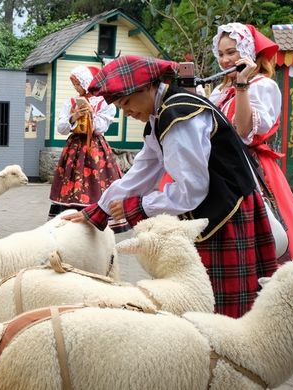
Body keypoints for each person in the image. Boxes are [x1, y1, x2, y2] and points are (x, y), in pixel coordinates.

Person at [63, 55, 278, 318]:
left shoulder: (178, 116)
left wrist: (140, 206)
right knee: (211, 303)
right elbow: (143, 169)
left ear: (148, 86)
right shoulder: (161, 114)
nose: (127, 112)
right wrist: (98, 209)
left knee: (226, 311)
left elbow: (192, 189)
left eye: (128, 102)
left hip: (228, 214)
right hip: (217, 210)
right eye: (120, 106)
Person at [210, 22, 293, 261]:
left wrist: (241, 85)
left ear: (248, 52)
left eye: (231, 52)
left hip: (249, 166)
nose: (225, 60)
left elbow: (244, 131)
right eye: (221, 54)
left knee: (260, 235)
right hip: (219, 166)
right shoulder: (220, 90)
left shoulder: (262, 86)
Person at [48, 66, 129, 232]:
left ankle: (98, 219)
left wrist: (90, 113)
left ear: (88, 83)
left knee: (97, 181)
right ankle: (70, 220)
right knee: (72, 180)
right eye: (74, 85)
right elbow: (61, 128)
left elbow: (100, 128)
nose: (76, 88)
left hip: (95, 149)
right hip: (74, 147)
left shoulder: (105, 103)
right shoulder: (70, 102)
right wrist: (74, 116)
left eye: (78, 84)